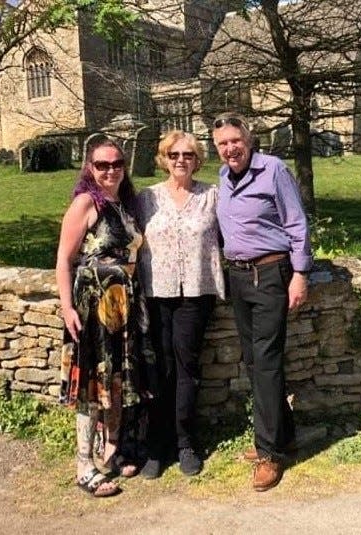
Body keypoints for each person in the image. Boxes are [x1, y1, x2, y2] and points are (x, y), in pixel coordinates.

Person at [211, 112, 313, 492]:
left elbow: (297, 223)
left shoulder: (273, 170)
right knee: (255, 362)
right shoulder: (224, 177)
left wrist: (300, 273)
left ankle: (269, 454)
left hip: (271, 275)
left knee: (267, 361)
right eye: (222, 144)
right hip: (239, 277)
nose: (229, 149)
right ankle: (283, 435)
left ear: (248, 140)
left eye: (235, 141)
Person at [55, 140, 146, 498]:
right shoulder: (85, 204)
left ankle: (111, 450)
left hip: (124, 308)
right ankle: (84, 465)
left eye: (117, 163)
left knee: (118, 380)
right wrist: (67, 307)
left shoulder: (125, 205)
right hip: (93, 309)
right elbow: (64, 259)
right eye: (102, 164)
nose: (110, 170)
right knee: (92, 385)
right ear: (89, 167)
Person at [136, 131, 226, 478]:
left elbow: (238, 230)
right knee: (160, 369)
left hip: (196, 294)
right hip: (157, 293)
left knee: (187, 368)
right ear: (164, 158)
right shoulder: (148, 199)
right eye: (174, 155)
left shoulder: (212, 197)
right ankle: (157, 445)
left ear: (197, 159)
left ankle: (187, 442)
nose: (180, 161)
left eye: (188, 155)